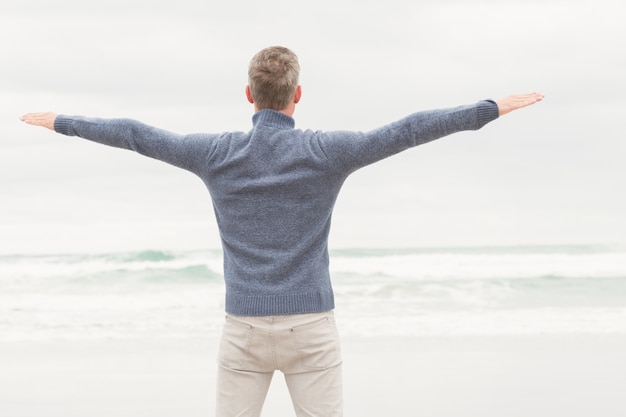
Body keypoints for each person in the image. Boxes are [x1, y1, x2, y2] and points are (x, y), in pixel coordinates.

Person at [21, 45, 543, 417]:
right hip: (311, 329)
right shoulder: (326, 152)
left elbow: (135, 135)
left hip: (243, 330)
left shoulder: (215, 153)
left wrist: (62, 120)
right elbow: (407, 131)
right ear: (298, 95)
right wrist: (486, 109)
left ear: (249, 94)